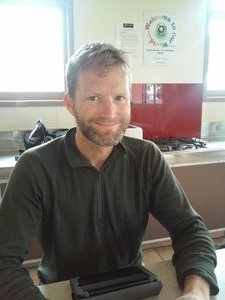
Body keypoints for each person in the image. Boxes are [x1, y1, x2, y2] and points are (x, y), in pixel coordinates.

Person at [0, 42, 219, 300]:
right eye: (94, 98)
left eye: (119, 98)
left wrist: (196, 292)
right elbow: (4, 261)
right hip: (61, 291)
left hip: (135, 286)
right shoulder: (35, 167)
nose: (110, 113)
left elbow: (190, 230)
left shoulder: (146, 157)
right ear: (70, 103)